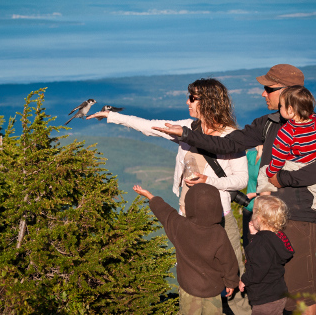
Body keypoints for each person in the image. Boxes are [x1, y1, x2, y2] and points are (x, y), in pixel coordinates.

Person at [154, 64, 316, 314]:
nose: (263, 94)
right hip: (264, 215)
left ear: (288, 92)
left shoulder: (315, 125)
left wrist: (280, 179)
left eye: (268, 88)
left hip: (298, 215)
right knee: (268, 284)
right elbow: (228, 143)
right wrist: (188, 135)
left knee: (300, 288)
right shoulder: (267, 123)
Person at [87, 78, 251, 315]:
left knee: (233, 285)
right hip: (186, 218)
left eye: (192, 98)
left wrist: (209, 181)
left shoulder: (231, 136)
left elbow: (241, 180)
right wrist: (111, 117)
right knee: (196, 279)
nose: (187, 101)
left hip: (220, 221)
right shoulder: (187, 128)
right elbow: (150, 126)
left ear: (208, 102)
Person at [133, 183, 239, 315]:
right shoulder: (219, 233)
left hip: (189, 289)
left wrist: (149, 195)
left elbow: (165, 212)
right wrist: (231, 282)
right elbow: (229, 261)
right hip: (213, 289)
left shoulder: (180, 227)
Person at [256, 85, 316, 242]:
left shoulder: (286, 131)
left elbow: (279, 156)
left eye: (281, 106)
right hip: (313, 165)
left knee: (264, 172)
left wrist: (272, 172)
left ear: (290, 111)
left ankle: (263, 204)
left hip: (293, 163)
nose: (279, 109)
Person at [239, 195, 294, 315]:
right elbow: (265, 255)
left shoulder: (260, 243)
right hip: (277, 293)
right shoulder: (277, 237)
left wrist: (244, 280)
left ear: (258, 219)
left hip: (264, 297)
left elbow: (258, 268)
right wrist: (253, 235)